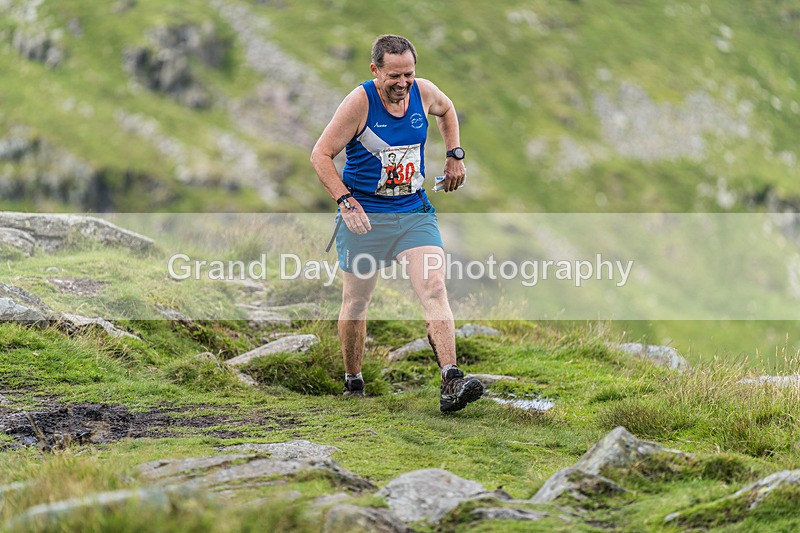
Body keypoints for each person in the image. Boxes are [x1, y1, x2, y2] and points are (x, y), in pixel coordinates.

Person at [310, 34, 483, 413]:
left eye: (409, 74)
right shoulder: (359, 103)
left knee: (434, 287)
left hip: (412, 211)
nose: (402, 84)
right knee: (356, 302)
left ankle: (451, 380)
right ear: (375, 71)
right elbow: (320, 154)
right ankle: (353, 382)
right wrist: (345, 201)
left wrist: (455, 155)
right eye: (394, 76)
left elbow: (448, 109)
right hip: (365, 219)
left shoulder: (423, 92)